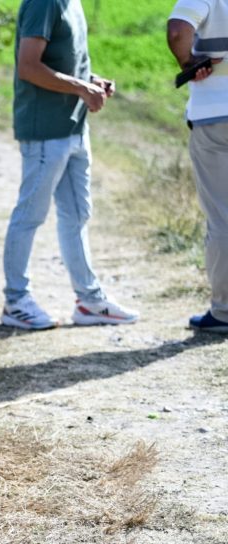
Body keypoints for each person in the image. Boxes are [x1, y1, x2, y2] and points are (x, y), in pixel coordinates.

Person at [1, 0, 139, 330]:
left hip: (75, 127)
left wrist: (92, 80)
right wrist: (82, 88)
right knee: (30, 215)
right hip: (45, 131)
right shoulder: (44, 3)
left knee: (77, 214)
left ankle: (90, 301)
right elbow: (28, 66)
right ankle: (15, 302)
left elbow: (62, 60)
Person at [168, 1, 228, 333]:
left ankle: (224, 311)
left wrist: (188, 63)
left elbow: (178, 31)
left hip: (216, 116)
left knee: (222, 216)